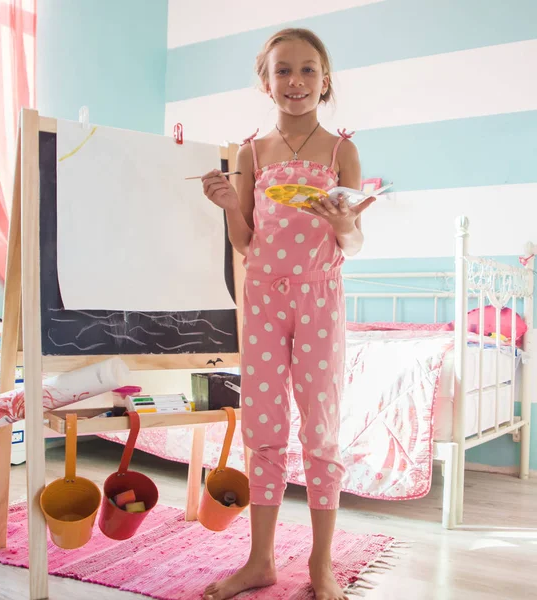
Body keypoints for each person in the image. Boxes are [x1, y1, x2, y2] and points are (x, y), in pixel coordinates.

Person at [200, 27, 376, 600]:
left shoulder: (339, 151)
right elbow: (248, 242)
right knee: (264, 430)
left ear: (325, 81)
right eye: (282, 70)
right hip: (263, 296)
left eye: (307, 70)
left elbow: (352, 244)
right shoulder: (252, 152)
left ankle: (320, 566)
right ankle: (260, 561)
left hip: (320, 294)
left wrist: (342, 222)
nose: (294, 81)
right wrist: (230, 205)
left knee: (319, 431)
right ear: (264, 80)